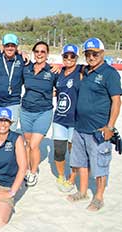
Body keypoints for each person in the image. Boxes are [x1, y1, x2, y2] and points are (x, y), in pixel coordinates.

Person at [67, 38, 121, 211]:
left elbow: (116, 101)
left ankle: (98, 197)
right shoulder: (85, 71)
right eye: (88, 54)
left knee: (100, 164)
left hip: (98, 129)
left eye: (95, 53)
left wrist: (110, 127)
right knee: (81, 162)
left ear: (102, 53)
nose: (91, 57)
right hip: (80, 126)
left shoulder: (110, 73)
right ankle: (82, 192)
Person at [20, 41, 58, 187]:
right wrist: (21, 53)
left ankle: (33, 172)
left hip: (44, 112)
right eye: (37, 51)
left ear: (47, 54)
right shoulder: (26, 68)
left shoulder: (53, 71)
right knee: (28, 143)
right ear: (33, 52)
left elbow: (63, 86)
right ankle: (27, 168)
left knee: (34, 145)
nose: (40, 54)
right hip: (26, 111)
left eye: (43, 51)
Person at [52, 44, 82, 192]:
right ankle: (61, 175)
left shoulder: (81, 71)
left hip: (75, 120)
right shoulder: (59, 73)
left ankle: (72, 178)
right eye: (66, 56)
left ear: (77, 57)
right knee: (58, 150)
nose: (69, 59)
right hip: (59, 119)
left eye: (72, 56)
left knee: (74, 152)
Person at [0, 34, 25, 131]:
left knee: (11, 132)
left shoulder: (22, 60)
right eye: (7, 45)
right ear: (3, 46)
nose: (10, 48)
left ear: (17, 47)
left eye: (12, 45)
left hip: (13, 102)